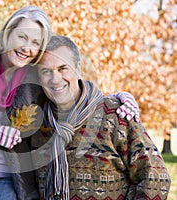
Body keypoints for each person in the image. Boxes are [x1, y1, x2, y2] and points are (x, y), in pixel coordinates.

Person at [0, 6, 141, 200]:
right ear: (7, 34)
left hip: (4, 179)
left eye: (36, 42)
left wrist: (116, 98)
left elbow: (72, 89)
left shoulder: (36, 81)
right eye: (22, 37)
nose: (26, 47)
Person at [32, 35, 171, 200]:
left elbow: (156, 178)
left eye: (63, 68)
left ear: (78, 69)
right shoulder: (36, 126)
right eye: (46, 71)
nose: (55, 79)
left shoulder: (115, 114)